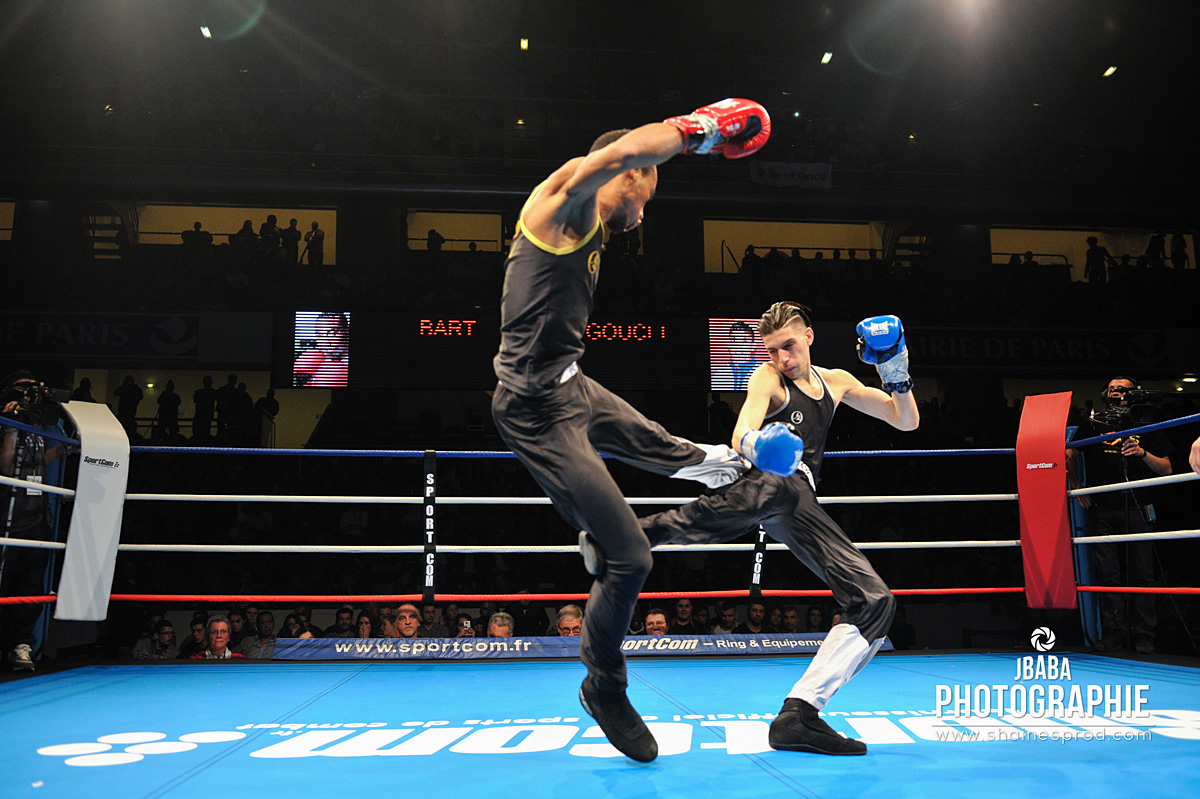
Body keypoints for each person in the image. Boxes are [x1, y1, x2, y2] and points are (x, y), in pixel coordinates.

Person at [491, 98, 772, 763]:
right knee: (632, 559)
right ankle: (604, 684)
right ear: (632, 173)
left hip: (570, 383)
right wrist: (694, 131)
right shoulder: (565, 201)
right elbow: (618, 153)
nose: (646, 212)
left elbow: (625, 160)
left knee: (654, 439)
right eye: (648, 192)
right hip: (534, 408)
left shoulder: (590, 217)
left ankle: (710, 464)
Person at [615, 301, 918, 755]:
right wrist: (759, 443)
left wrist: (896, 370)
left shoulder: (836, 382)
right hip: (763, 474)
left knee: (874, 601)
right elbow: (742, 430)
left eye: (789, 347)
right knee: (717, 457)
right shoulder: (767, 377)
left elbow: (906, 420)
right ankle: (608, 448)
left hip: (790, 495)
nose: (782, 359)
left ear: (810, 336)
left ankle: (799, 714)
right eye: (772, 350)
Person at [1067, 376, 1173, 654]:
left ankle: (1145, 638)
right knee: (1108, 575)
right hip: (1103, 508)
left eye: (1122, 389)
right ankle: (1113, 636)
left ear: (1134, 393)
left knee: (1143, 575)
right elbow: (1069, 453)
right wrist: (1077, 487)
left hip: (1138, 505)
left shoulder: (1146, 422)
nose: (1116, 393)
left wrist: (1141, 453)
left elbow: (1167, 469)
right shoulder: (1093, 423)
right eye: (1112, 389)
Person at [1, 371, 69, 671]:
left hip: (34, 518)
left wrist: (66, 446)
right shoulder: (3, 420)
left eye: (33, 388)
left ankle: (21, 645)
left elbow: (40, 462)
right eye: (22, 388)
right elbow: (5, 466)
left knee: (30, 587)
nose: (28, 394)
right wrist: (10, 428)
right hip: (6, 516)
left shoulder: (40, 422)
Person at [294, 312, 349, 387]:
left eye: (332, 333)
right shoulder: (316, 361)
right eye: (320, 335)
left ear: (346, 331)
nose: (325, 342)